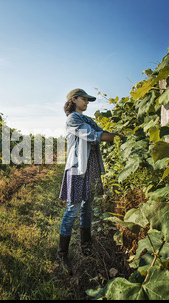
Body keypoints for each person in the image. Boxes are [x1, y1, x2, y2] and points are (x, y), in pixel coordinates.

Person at [57, 88, 124, 275]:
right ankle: (62, 254)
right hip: (78, 168)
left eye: (88, 99)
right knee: (73, 210)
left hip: (91, 168)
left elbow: (102, 132)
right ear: (73, 99)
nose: (87, 102)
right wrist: (115, 138)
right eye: (84, 99)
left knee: (87, 207)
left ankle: (86, 244)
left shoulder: (88, 119)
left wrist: (117, 136)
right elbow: (93, 135)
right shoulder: (73, 119)